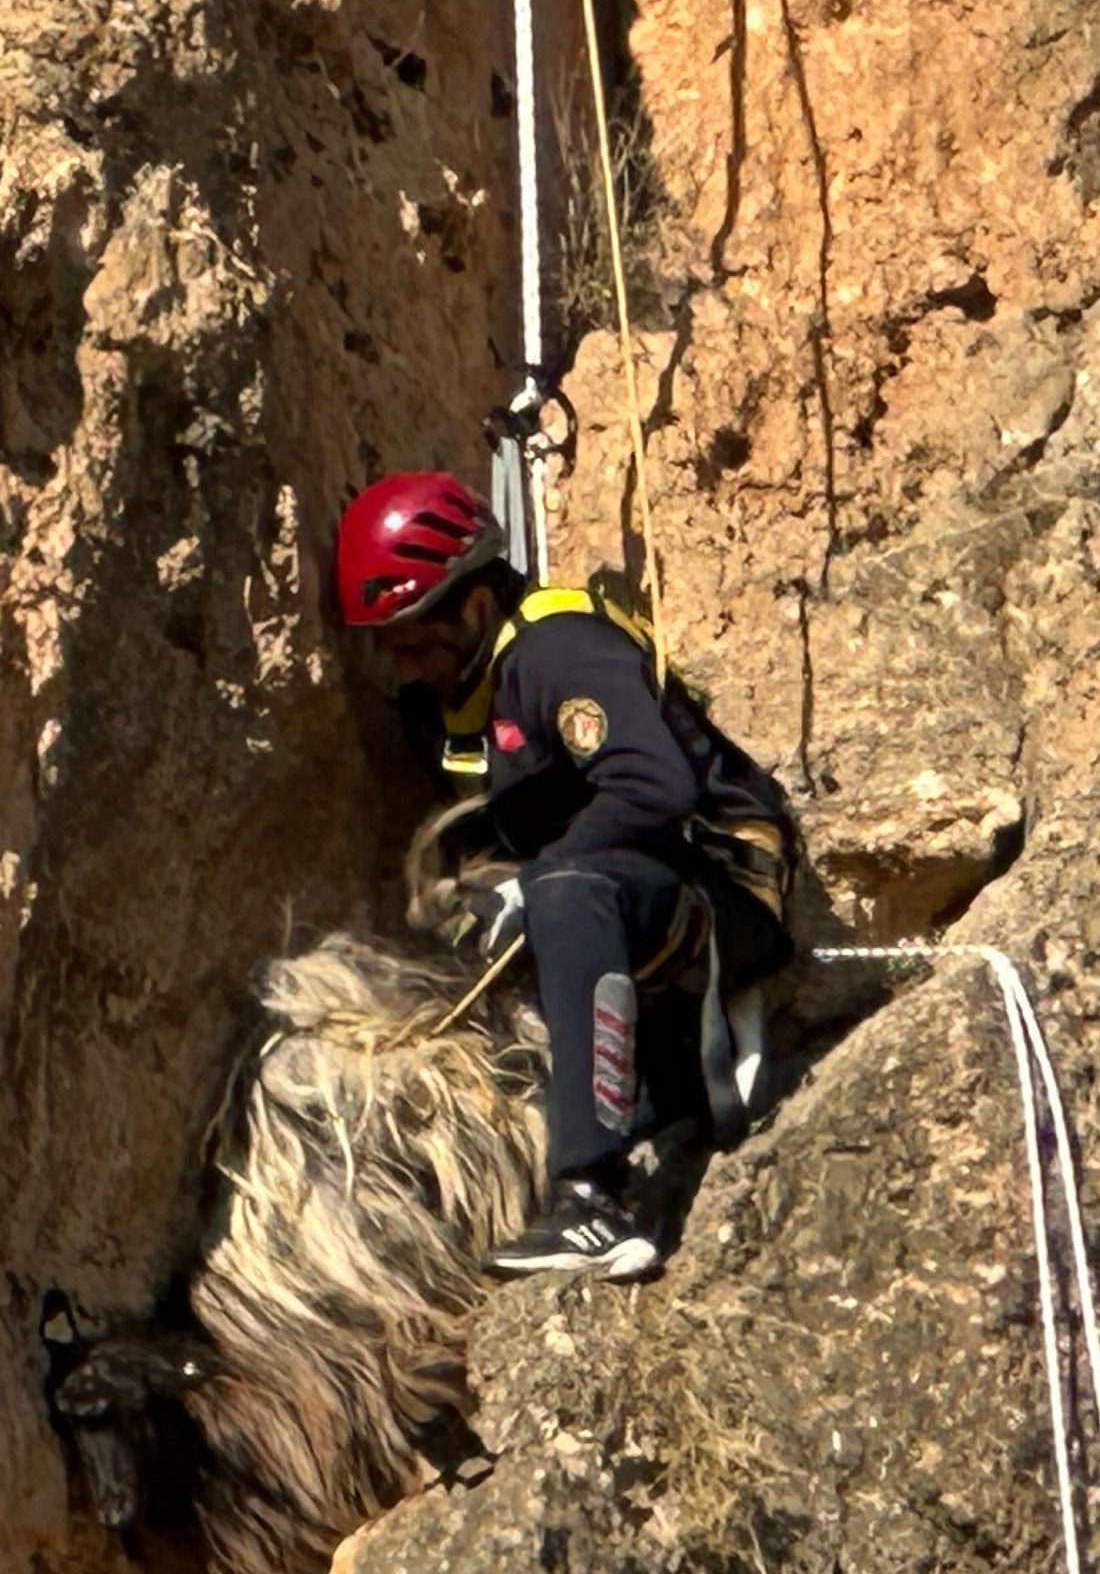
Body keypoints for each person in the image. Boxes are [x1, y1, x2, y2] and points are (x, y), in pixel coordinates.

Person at [334, 471, 798, 1280]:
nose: (404, 667)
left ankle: (588, 1199)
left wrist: (540, 881)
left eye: (414, 641)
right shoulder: (454, 702)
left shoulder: (560, 651)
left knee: (562, 892)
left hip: (715, 893)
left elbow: (655, 784)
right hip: (622, 903)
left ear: (473, 607)